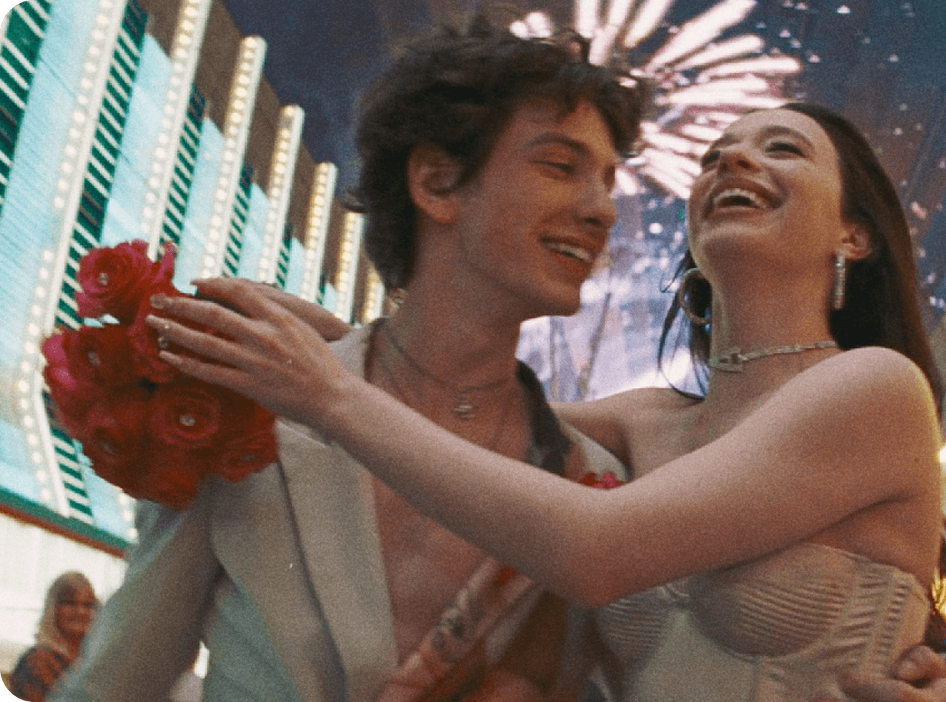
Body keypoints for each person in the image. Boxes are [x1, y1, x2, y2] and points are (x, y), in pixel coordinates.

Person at [146, 97, 946, 701]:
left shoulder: (874, 388)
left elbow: (596, 549)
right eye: (713, 156)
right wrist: (299, 334)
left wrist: (326, 390)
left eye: (783, 149)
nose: (731, 161)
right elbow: (450, 414)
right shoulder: (643, 420)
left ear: (854, 232)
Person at [52, 18, 642, 702]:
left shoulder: (589, 479)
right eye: (560, 166)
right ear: (436, 182)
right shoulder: (242, 407)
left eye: (608, 181)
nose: (603, 210)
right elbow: (121, 679)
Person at [7, 572, 97, 702]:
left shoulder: (99, 660)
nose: (80, 611)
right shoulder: (35, 663)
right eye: (70, 603)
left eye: (88, 605)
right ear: (53, 608)